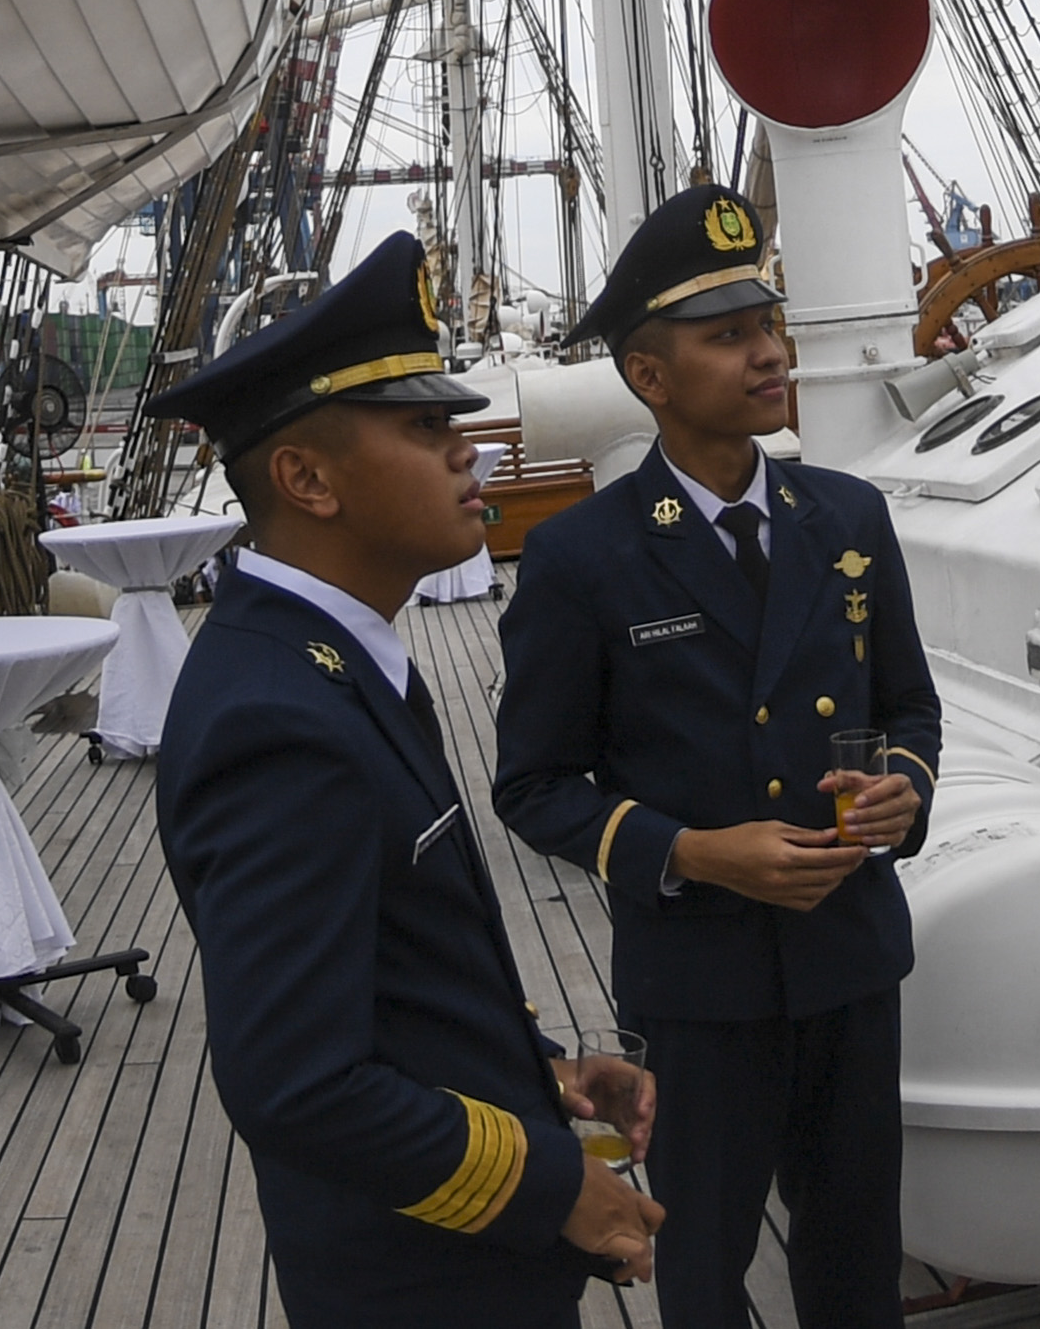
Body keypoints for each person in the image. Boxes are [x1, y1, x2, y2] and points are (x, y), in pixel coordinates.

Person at [151, 232, 660, 1328]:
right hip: (422, 1281)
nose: (467, 450)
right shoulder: (277, 722)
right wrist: (552, 1185)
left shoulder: (329, 664)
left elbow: (392, 977)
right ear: (306, 479)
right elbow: (295, 1084)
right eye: (426, 429)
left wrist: (538, 1073)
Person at [493, 184, 942, 1329]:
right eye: (730, 335)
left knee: (858, 1252)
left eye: (768, 326)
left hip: (848, 960)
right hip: (700, 985)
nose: (769, 353)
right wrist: (692, 852)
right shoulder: (581, 559)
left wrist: (903, 790)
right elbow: (534, 787)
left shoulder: (848, 519)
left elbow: (909, 707)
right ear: (649, 375)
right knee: (701, 1262)